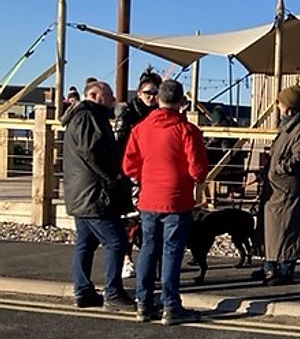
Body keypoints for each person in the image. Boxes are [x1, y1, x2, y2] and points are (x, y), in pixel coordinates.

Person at [122, 79, 209, 325]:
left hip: (149, 196)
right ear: (181, 102)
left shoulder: (141, 128)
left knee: (148, 249)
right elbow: (198, 170)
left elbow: (129, 165)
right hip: (177, 198)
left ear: (158, 99)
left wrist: (145, 176)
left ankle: (143, 303)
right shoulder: (187, 130)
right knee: (172, 251)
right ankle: (170, 305)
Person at [61, 80, 134, 311]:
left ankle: (83, 291)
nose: (113, 100)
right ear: (94, 95)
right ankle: (113, 293)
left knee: (86, 243)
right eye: (109, 95)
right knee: (116, 241)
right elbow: (92, 151)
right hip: (93, 193)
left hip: (82, 192)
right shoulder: (87, 117)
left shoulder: (84, 116)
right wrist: (113, 174)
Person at [254, 85, 300, 286]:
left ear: (288, 106)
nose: (277, 106)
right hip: (276, 186)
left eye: (279, 103)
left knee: (287, 228)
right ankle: (269, 266)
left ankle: (285, 270)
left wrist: (279, 168)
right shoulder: (287, 126)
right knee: (271, 227)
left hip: (287, 187)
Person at [113, 70, 162, 279]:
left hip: (152, 173)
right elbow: (119, 145)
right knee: (130, 219)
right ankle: (126, 259)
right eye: (148, 93)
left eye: (155, 93)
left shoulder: (160, 114)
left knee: (151, 220)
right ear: (139, 93)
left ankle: (151, 261)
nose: (151, 97)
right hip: (131, 174)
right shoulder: (129, 115)